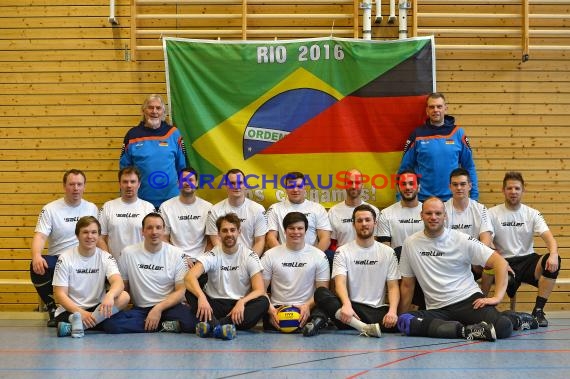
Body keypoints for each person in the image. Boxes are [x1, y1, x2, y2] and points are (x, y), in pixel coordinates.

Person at [397, 197, 513, 342]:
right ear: (421, 216)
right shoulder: (410, 243)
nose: (433, 217)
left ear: (445, 216)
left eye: (438, 213)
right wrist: (399, 316)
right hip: (438, 309)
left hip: (469, 302)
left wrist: (496, 297)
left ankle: (515, 319)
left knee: (503, 327)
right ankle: (467, 330)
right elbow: (408, 284)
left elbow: (500, 263)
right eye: (428, 213)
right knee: (405, 321)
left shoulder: (461, 239)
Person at [485, 172, 561, 327]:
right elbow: (487, 240)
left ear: (523, 191)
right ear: (503, 190)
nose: (513, 191)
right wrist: (496, 256)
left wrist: (553, 254)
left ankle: (538, 311)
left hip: (528, 261)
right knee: (510, 283)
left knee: (554, 261)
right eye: (509, 188)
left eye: (517, 188)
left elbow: (549, 238)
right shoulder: (491, 213)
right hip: (504, 261)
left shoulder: (532, 213)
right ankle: (489, 310)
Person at [312, 205, 399, 338]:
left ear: (375, 223)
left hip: (377, 312)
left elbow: (393, 287)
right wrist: (346, 305)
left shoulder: (388, 252)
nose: (364, 224)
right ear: (353, 224)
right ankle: (363, 327)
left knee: (395, 321)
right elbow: (339, 283)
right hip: (350, 313)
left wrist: (392, 312)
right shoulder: (343, 251)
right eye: (359, 221)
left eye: (367, 220)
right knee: (321, 293)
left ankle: (360, 325)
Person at [102, 213, 196, 334]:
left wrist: (158, 309)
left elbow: (181, 291)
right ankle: (164, 326)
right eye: (149, 228)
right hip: (141, 310)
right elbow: (124, 287)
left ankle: (154, 324)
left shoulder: (177, 254)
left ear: (163, 230)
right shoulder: (128, 253)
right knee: (111, 325)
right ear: (143, 231)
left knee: (192, 322)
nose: (154, 232)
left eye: (158, 227)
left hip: (168, 307)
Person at [30, 169, 99, 327]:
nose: (76, 188)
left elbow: (98, 237)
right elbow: (40, 236)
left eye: (79, 184)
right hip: (60, 259)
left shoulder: (91, 208)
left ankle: (94, 309)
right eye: (72, 184)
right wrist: (36, 255)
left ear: (84, 186)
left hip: (86, 257)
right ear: (64, 186)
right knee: (37, 266)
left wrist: (108, 256)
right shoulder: (50, 209)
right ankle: (53, 308)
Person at [185, 213, 269, 340]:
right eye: (224, 230)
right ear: (218, 234)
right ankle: (223, 328)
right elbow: (189, 277)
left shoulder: (249, 256)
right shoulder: (212, 255)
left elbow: (260, 289)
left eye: (232, 230)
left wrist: (242, 301)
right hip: (214, 306)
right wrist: (201, 297)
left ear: (239, 232)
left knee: (263, 302)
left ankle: (213, 326)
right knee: (190, 291)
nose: (229, 234)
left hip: (238, 308)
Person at [52, 216, 130, 338]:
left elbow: (118, 282)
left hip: (97, 308)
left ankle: (79, 327)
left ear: (99, 236)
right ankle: (91, 323)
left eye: (94, 232)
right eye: (85, 232)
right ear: (77, 235)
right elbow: (60, 294)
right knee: (111, 324)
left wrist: (110, 295)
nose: (90, 236)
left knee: (124, 296)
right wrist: (80, 313)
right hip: (71, 310)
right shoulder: (65, 258)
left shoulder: (106, 257)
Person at [398, 92, 478, 201]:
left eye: (439, 106)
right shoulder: (417, 134)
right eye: (432, 107)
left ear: (445, 108)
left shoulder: (458, 133)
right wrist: (399, 199)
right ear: (427, 110)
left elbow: (469, 167)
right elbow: (404, 169)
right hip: (423, 200)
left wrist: (474, 198)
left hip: (452, 200)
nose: (435, 110)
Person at [261, 212, 330, 335]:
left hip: (307, 308)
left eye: (300, 228)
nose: (296, 232)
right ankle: (312, 324)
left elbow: (322, 290)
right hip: (278, 308)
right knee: (259, 304)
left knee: (325, 302)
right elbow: (261, 289)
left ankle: (313, 324)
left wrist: (307, 306)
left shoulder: (318, 255)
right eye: (291, 228)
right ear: (285, 230)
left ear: (306, 230)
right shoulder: (270, 255)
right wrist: (270, 310)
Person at [120, 94, 188, 209]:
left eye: (158, 108)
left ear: (163, 112)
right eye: (150, 107)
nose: (154, 111)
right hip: (141, 200)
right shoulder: (132, 135)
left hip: (172, 200)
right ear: (143, 110)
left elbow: (182, 166)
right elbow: (124, 170)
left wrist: (184, 194)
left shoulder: (174, 133)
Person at [378, 170, 425, 310]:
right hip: (398, 266)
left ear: (418, 187)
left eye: (411, 183)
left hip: (425, 263)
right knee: (399, 252)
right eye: (403, 184)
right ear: (398, 187)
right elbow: (385, 249)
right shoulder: (386, 213)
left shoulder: (428, 211)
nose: (408, 187)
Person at [97, 166, 155, 260]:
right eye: (125, 182)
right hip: (114, 266)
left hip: (142, 265)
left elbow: (155, 238)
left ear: (139, 184)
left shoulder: (148, 208)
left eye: (132, 182)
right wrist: (109, 261)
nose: (129, 185)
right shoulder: (108, 207)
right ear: (119, 184)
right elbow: (100, 238)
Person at [206, 168, 267, 256]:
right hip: (224, 260)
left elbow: (260, 241)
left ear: (245, 185)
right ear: (226, 185)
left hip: (249, 260)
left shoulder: (258, 209)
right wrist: (229, 261)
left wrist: (250, 262)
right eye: (232, 183)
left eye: (240, 183)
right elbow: (216, 241)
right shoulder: (215, 210)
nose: (236, 186)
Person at [160, 167, 213, 267]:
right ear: (178, 183)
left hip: (203, 262)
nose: (187, 183)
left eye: (191, 180)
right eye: (184, 180)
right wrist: (181, 257)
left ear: (196, 183)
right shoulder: (166, 207)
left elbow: (211, 241)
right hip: (175, 260)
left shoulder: (208, 207)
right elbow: (163, 238)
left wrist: (202, 262)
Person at [266, 172, 332, 252]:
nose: (295, 190)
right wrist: (282, 256)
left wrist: (314, 258)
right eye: (291, 186)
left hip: (312, 258)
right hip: (283, 259)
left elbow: (325, 238)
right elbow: (271, 238)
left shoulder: (318, 208)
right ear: (286, 189)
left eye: (299, 186)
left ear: (305, 188)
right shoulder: (275, 209)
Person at [327, 169, 380, 250]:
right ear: (345, 184)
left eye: (357, 182)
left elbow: (376, 241)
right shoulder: (333, 212)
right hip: (343, 259)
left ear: (362, 185)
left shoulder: (373, 211)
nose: (354, 186)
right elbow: (332, 244)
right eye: (350, 182)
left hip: (368, 259)